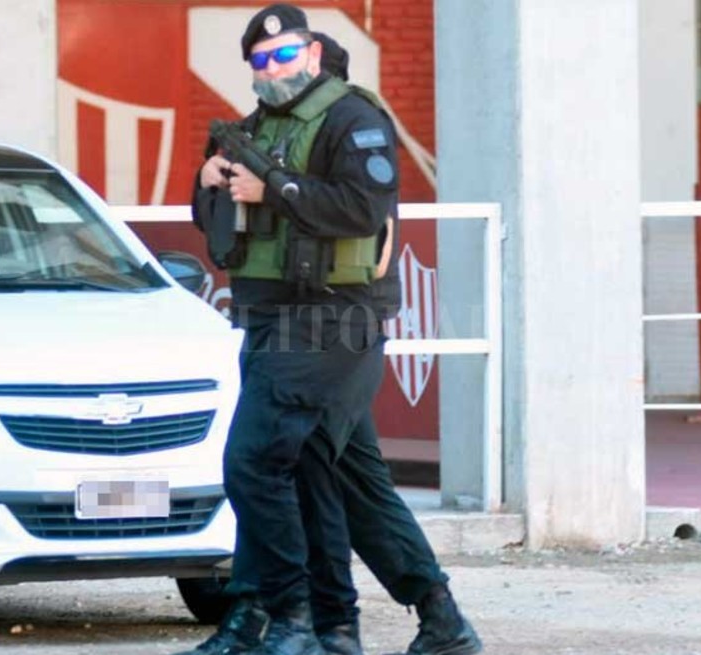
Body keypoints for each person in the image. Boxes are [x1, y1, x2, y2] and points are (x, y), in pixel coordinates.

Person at [181, 6, 481, 655]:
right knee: (340, 475)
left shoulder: (353, 120)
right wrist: (208, 183)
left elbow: (361, 208)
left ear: (314, 53)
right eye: (261, 60)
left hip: (330, 319)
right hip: (270, 318)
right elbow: (218, 224)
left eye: (285, 55)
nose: (272, 68)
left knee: (256, 462)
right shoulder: (255, 128)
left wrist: (274, 188)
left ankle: (284, 618)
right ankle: (429, 620)